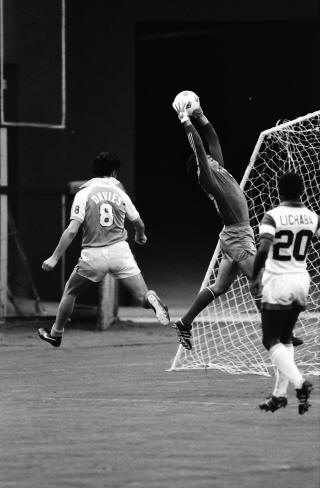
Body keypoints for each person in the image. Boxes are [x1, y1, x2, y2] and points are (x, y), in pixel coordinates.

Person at [171, 95, 303, 351]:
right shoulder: (207, 177)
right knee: (260, 280)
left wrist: (200, 115)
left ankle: (184, 322)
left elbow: (212, 138)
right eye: (206, 160)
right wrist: (185, 121)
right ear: (200, 168)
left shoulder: (217, 168)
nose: (211, 157)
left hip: (235, 234)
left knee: (220, 286)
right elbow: (199, 148)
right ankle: (277, 331)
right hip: (237, 237)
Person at [38, 151, 170, 347]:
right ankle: (151, 299)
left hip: (94, 256)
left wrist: (54, 257)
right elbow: (139, 223)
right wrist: (139, 236)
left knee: (71, 291)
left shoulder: (84, 193)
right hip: (120, 253)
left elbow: (72, 231)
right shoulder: (120, 193)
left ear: (94, 170)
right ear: (115, 173)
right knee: (142, 296)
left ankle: (56, 333)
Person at [250, 172, 319, 414]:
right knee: (286, 337)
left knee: (270, 339)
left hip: (278, 280)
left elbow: (264, 248)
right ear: (302, 191)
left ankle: (301, 384)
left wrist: (255, 276)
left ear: (279, 191)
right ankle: (279, 396)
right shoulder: (313, 217)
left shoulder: (273, 216)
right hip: (301, 280)